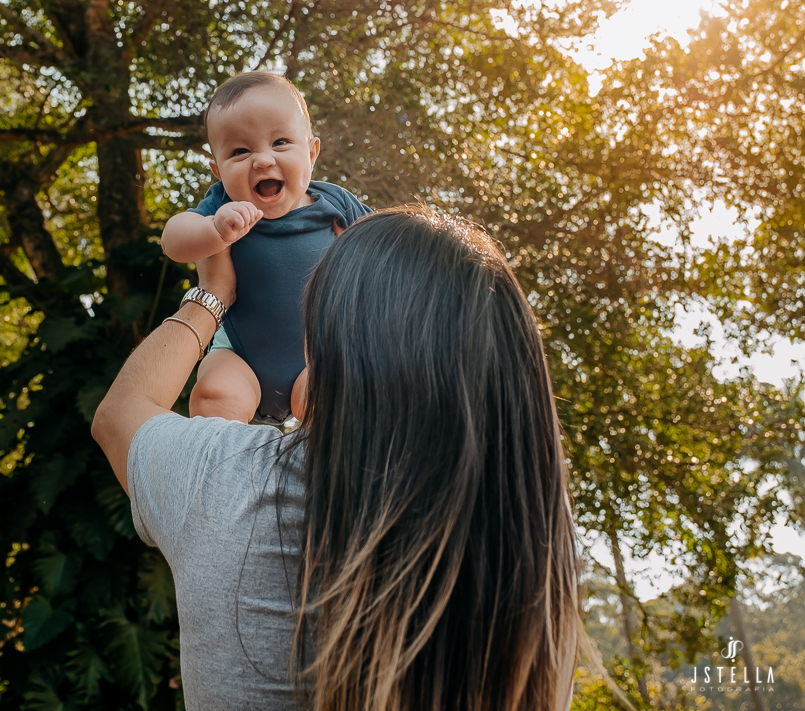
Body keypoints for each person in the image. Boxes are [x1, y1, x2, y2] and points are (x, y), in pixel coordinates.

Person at [92, 206, 581, 711]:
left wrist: (212, 295)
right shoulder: (537, 541)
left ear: (334, 346)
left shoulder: (227, 481)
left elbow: (119, 415)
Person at [161, 72, 372, 424]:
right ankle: (223, 469)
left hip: (319, 355)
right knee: (216, 394)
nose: (261, 160)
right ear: (218, 171)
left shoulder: (335, 202)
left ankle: (319, 473)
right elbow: (172, 239)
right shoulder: (222, 206)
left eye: (280, 142)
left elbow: (385, 243)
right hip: (240, 353)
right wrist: (214, 229)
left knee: (336, 405)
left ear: (312, 151)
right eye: (240, 151)